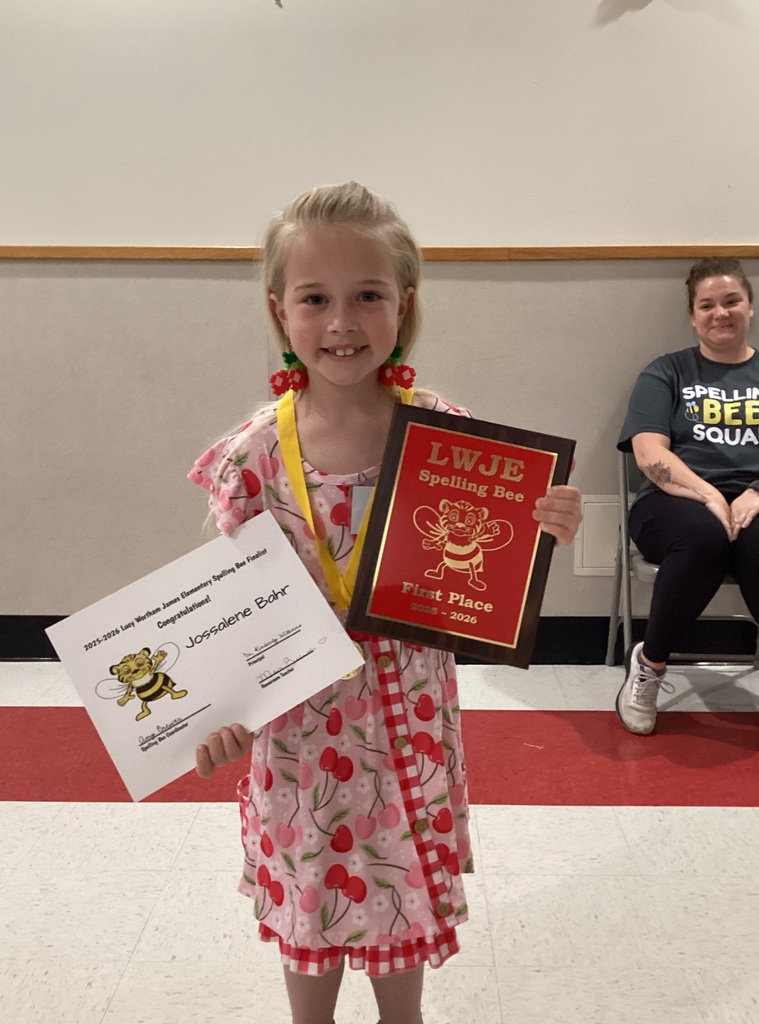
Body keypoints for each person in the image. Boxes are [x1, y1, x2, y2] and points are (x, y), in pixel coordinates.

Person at [188, 181, 583, 1024]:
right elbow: (225, 611)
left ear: (404, 305)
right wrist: (216, 711)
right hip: (297, 736)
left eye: (368, 295)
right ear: (279, 311)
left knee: (401, 884)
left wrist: (543, 525)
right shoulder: (254, 457)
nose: (342, 322)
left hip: (407, 721)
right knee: (310, 891)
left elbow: (486, 567)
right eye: (315, 299)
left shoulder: (445, 432)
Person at [616, 256, 759, 736]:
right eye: (707, 305)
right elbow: (647, 453)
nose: (720, 312)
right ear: (691, 315)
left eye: (731, 301)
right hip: (672, 499)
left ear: (750, 306)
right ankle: (650, 664)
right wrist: (708, 495)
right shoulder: (667, 372)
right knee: (703, 539)